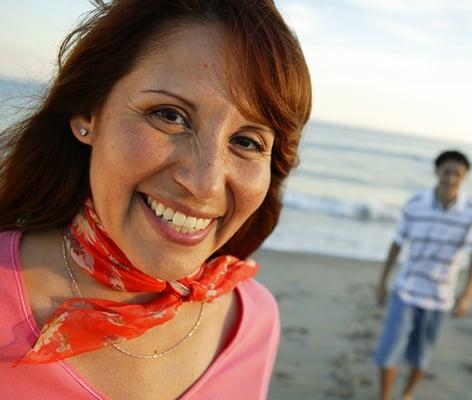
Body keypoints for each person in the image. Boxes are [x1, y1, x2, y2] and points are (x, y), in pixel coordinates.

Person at [0, 1, 311, 399]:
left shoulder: (253, 320)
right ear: (88, 113)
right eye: (169, 115)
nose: (204, 184)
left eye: (247, 142)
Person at [374, 150, 472, 400]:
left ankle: (407, 395)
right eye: (446, 172)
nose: (451, 178)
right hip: (406, 291)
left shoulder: (471, 211)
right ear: (437, 172)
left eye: (457, 174)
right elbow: (397, 243)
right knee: (388, 353)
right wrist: (382, 282)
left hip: (439, 298)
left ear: (464, 177)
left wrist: (466, 296)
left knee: (421, 357)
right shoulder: (416, 203)